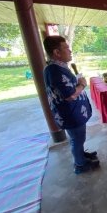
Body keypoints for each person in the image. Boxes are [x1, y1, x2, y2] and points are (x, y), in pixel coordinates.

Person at [43, 36, 99, 174]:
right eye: (66, 47)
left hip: (74, 112)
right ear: (57, 52)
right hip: (70, 114)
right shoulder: (54, 70)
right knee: (77, 138)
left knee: (78, 138)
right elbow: (69, 95)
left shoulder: (58, 67)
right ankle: (80, 165)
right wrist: (82, 84)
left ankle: (81, 155)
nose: (70, 50)